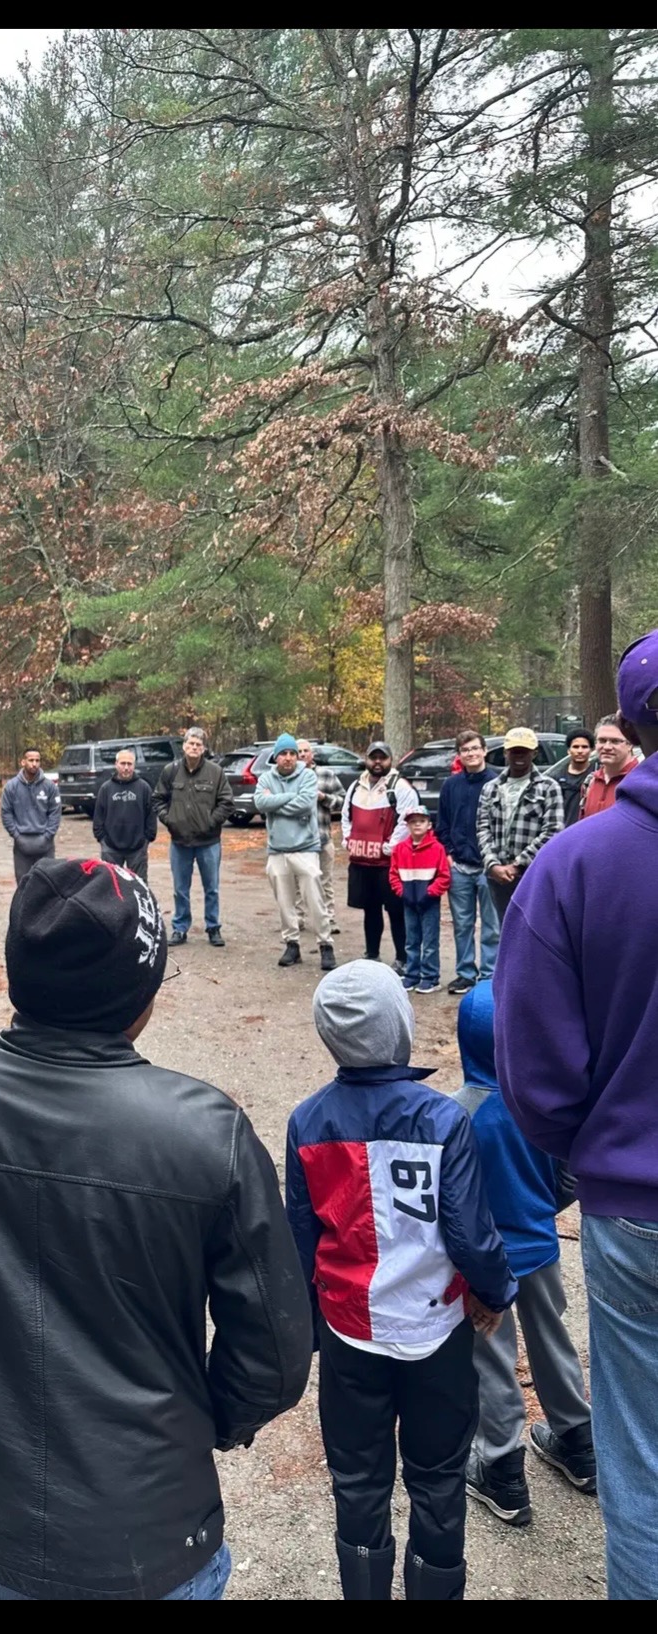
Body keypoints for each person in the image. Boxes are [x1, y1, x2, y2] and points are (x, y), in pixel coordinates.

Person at [0, 855, 311, 1601]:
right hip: (148, 1531)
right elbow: (274, 1350)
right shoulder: (205, 1133)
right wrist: (198, 1426)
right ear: (141, 992)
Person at [494, 629, 658, 1601]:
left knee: (639, 1456)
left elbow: (537, 1069)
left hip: (633, 1205)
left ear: (630, 724)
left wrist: (587, 1152)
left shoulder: (576, 865)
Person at [286, 960, 515, 1602]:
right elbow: (472, 1234)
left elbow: (299, 1237)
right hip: (436, 1330)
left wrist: (309, 1327)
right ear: (401, 1027)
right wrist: (495, 1293)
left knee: (357, 1482)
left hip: (349, 1332)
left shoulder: (307, 1122)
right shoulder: (445, 1122)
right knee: (438, 1477)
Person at [451, 982, 594, 1530]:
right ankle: (578, 1444)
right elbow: (574, 1175)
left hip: (481, 1263)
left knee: (490, 1355)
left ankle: (501, 1467)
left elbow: (447, 1199)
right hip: (540, 1248)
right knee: (552, 1336)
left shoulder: (454, 1115)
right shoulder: (545, 1107)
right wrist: (540, 1207)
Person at [254, 733, 336, 971]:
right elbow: (260, 804)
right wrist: (289, 799)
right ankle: (292, 944)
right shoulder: (266, 779)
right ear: (276, 757)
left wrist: (277, 802)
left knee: (314, 898)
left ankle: (325, 944)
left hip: (306, 847)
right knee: (285, 902)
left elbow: (305, 803)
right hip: (277, 850)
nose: (288, 758)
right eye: (283, 754)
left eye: (292, 753)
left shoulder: (308, 776)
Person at [152, 727, 234, 948]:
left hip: (209, 842)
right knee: (180, 889)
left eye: (198, 744)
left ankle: (213, 927)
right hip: (180, 842)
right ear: (184, 746)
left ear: (204, 748)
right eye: (191, 744)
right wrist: (169, 820)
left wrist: (210, 821)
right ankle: (180, 928)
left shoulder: (215, 772)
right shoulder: (171, 771)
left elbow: (227, 802)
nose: (194, 747)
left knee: (212, 888)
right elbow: (158, 799)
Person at [340, 741, 418, 972]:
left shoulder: (400, 788)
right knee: (370, 909)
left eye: (382, 758)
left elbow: (407, 820)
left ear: (390, 760)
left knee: (396, 911)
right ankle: (371, 954)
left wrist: (389, 847)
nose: (377, 762)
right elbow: (346, 816)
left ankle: (402, 958)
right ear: (366, 759)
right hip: (362, 863)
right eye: (373, 757)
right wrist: (347, 840)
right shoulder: (356, 786)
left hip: (389, 865)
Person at [436, 729, 500, 995]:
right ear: (459, 755)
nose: (471, 754)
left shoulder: (497, 781)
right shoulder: (451, 786)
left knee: (492, 925)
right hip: (460, 866)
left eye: (475, 748)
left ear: (484, 750)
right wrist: (450, 853)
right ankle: (465, 973)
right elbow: (442, 823)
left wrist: (497, 859)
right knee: (462, 924)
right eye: (465, 750)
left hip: (490, 867)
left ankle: (489, 974)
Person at [476, 728, 563, 923]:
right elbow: (483, 827)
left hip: (533, 874)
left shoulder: (548, 787)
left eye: (525, 751)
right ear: (506, 752)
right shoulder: (491, 788)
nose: (519, 756)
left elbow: (553, 830)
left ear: (535, 753)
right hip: (497, 877)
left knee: (534, 927)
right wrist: (493, 864)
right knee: (504, 928)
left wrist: (518, 865)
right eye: (514, 751)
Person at [388, 805, 450, 994]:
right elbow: (393, 875)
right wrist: (402, 892)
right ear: (407, 825)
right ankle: (412, 974)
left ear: (429, 825)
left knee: (430, 941)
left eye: (421, 821)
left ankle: (431, 977)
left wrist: (431, 893)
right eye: (413, 822)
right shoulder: (400, 849)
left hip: (429, 902)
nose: (417, 825)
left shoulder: (437, 848)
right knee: (411, 940)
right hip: (409, 902)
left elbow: (444, 876)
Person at [91, 746, 157, 881]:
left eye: (129, 764)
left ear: (134, 765)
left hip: (137, 849)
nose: (126, 767)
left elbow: (151, 816)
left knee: (139, 887)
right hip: (111, 848)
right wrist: (102, 839)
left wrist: (146, 839)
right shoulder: (106, 788)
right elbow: (98, 817)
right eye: (122, 763)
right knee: (111, 887)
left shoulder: (144, 788)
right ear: (116, 765)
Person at [297, 738, 342, 935]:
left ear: (312, 754)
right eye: (298, 751)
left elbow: (343, 801)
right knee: (298, 882)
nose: (302, 755)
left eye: (306, 751)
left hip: (323, 837)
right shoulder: (289, 777)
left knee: (325, 881)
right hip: (298, 841)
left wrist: (324, 797)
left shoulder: (326, 774)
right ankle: (297, 918)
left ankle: (328, 918)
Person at [0, 747, 61, 884]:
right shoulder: (11, 787)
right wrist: (16, 835)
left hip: (45, 845)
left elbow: (55, 813)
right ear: (23, 762)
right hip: (22, 845)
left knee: (47, 886)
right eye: (31, 760)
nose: (34, 764)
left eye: (37, 760)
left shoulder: (49, 787)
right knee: (23, 886)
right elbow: (6, 812)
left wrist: (47, 835)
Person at [579, 714, 637, 819]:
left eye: (615, 741)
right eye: (602, 740)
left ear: (630, 744)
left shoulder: (641, 783)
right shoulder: (590, 782)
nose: (607, 747)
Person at [546, 726, 594, 827]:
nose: (580, 751)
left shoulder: (596, 775)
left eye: (584, 747)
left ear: (591, 750)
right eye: (576, 747)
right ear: (568, 750)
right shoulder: (556, 776)